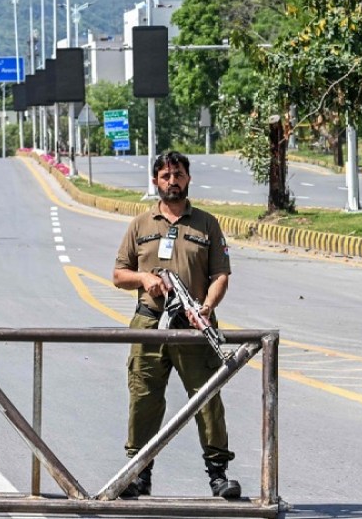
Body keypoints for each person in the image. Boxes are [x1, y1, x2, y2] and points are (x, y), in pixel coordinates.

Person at [112, 151, 238, 500]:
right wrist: (143, 279)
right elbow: (118, 275)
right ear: (156, 181)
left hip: (194, 325)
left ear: (188, 178)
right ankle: (138, 473)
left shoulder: (207, 224)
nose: (173, 181)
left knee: (207, 398)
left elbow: (221, 275)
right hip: (150, 322)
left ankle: (218, 474)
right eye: (166, 175)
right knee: (144, 399)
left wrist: (207, 308)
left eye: (178, 174)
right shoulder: (140, 224)